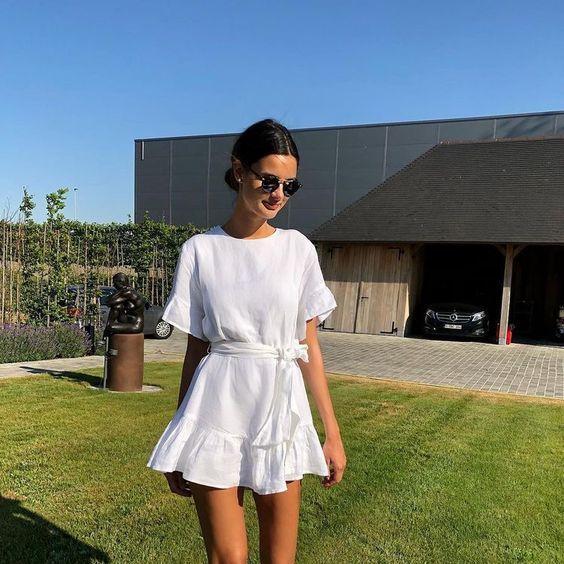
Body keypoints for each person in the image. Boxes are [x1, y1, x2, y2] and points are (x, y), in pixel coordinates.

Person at [147, 118, 347, 563]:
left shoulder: (298, 249)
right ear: (239, 171)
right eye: (269, 180)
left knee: (280, 558)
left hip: (280, 409)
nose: (278, 194)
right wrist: (181, 430)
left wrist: (331, 433)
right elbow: (196, 348)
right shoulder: (200, 250)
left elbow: (309, 345)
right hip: (216, 405)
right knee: (227, 558)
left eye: (290, 186)